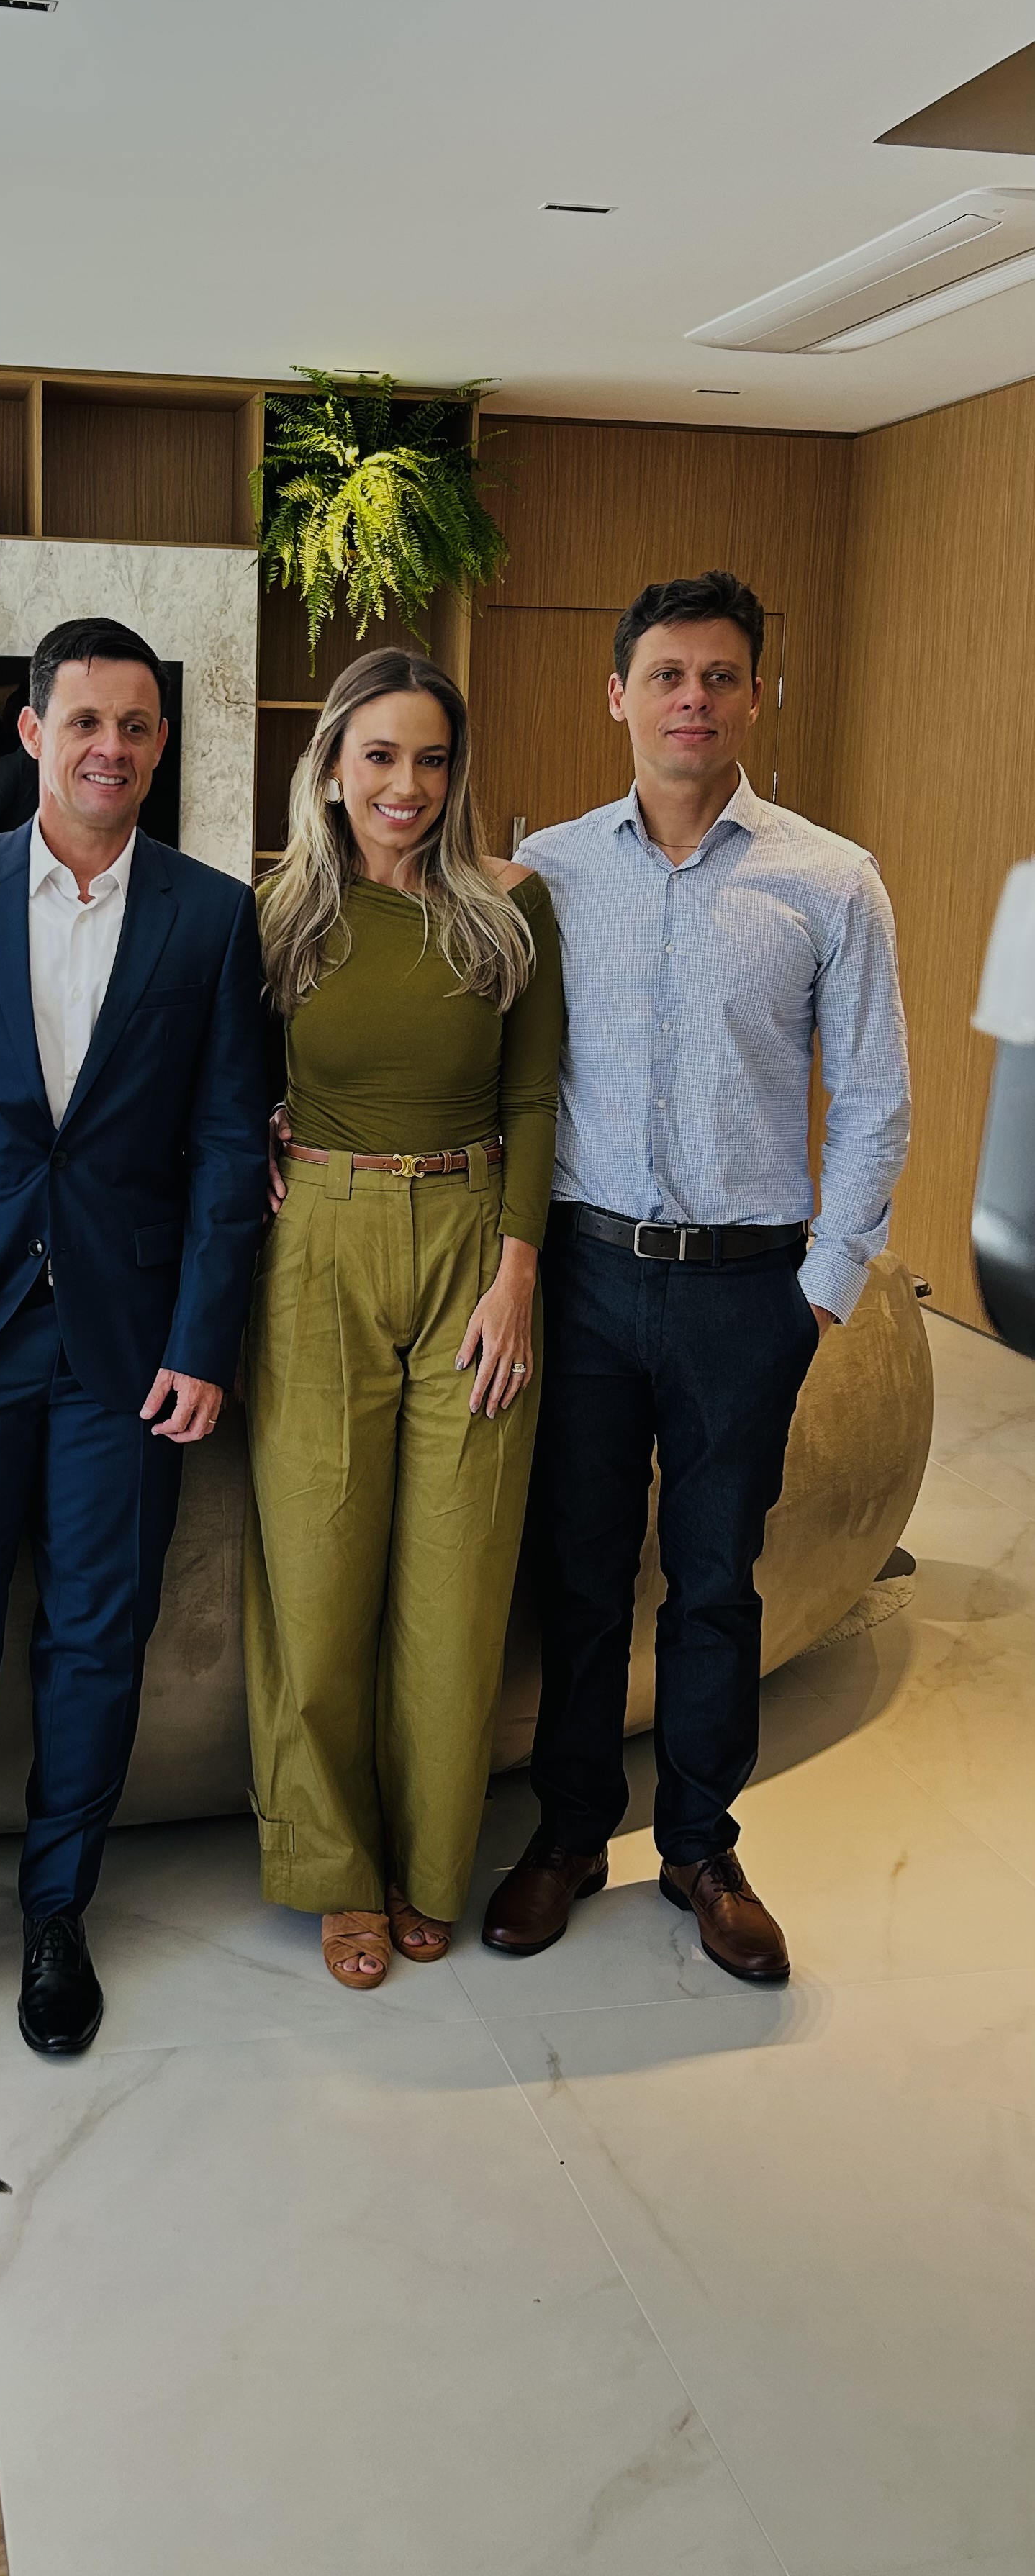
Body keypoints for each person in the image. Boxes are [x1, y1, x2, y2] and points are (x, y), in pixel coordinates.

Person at [0, 615, 268, 2053]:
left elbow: (225, 1149)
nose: (111, 749)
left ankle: (58, 1918)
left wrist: (203, 1338)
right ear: (32, 732)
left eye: (136, 726)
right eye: (85, 721)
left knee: (96, 1641)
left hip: (128, 1351)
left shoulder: (213, 917)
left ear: (160, 743)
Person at [486, 569, 910, 1984]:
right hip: (589, 1278)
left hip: (747, 1291)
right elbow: (487, 1061)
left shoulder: (830, 879)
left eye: (721, 676)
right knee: (581, 1572)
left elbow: (875, 1094)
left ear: (756, 696)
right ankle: (568, 1833)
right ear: (617, 693)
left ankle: (700, 1847)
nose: (693, 701)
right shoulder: (547, 870)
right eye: (667, 675)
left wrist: (824, 1289)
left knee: (719, 1578)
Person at [245, 649, 562, 1988]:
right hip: (318, 1246)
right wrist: (257, 1135)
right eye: (380, 755)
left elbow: (535, 1097)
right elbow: (229, 1077)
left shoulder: (511, 908)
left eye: (432, 759)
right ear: (331, 767)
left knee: (458, 1577)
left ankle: (432, 1865)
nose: (408, 785)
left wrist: (518, 1274)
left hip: (475, 1246)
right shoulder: (277, 915)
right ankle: (334, 1868)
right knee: (316, 1576)